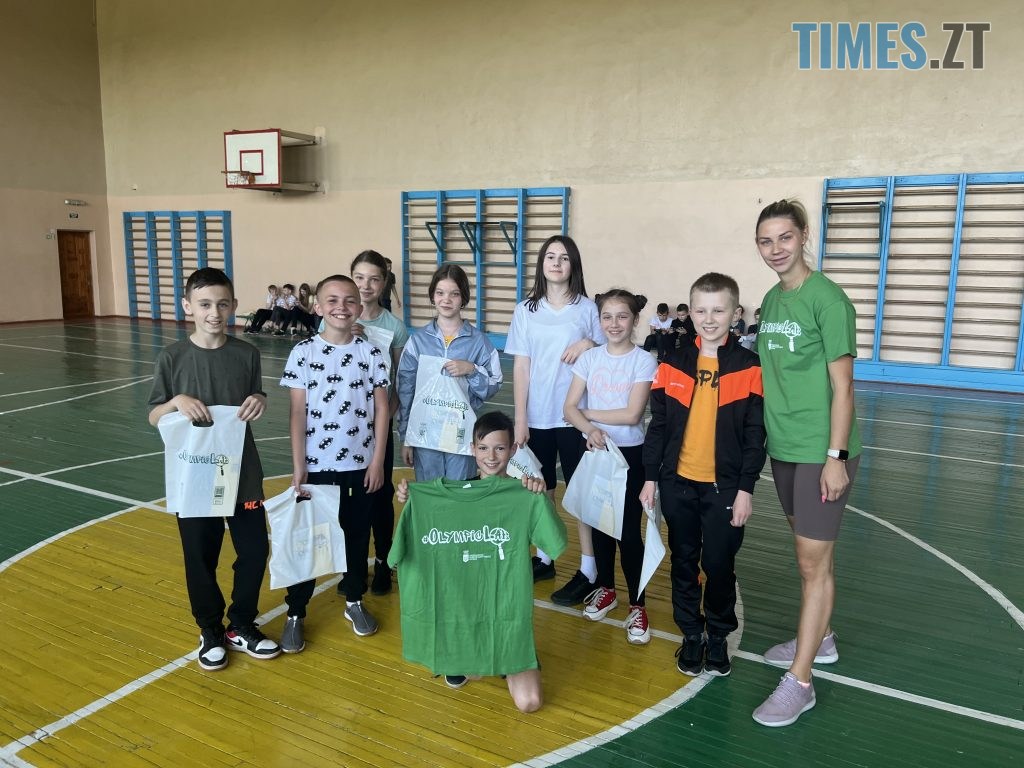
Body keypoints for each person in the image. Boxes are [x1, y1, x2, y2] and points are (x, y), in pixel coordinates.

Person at [750, 199, 861, 727]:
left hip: (821, 451)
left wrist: (836, 458)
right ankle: (823, 638)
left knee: (811, 564)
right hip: (784, 448)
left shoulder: (829, 301)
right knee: (813, 559)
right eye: (765, 240)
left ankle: (800, 681)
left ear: (803, 236)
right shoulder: (772, 301)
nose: (776, 249)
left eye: (785, 237)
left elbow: (844, 388)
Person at [148, 267, 281, 671]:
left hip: (243, 473)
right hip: (195, 475)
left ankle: (240, 624)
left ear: (234, 306)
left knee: (255, 551)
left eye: (223, 304)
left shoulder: (247, 353)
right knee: (200, 556)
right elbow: (154, 416)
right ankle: (209, 629)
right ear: (188, 306)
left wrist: (260, 399)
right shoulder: (172, 357)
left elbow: (254, 395)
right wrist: (176, 403)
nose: (214, 313)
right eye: (205, 304)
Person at [389, 411, 566, 710]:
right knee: (473, 670)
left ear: (513, 450)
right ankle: (468, 651)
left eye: (499, 448)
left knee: (530, 702)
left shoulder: (523, 493)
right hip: (461, 612)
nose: (491, 456)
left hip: (505, 616)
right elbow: (401, 555)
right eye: (483, 448)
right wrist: (412, 498)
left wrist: (540, 498)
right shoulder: (445, 498)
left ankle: (513, 654)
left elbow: (557, 542)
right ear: (472, 449)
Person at [640, 272, 766, 679]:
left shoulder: (749, 366)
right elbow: (659, 425)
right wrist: (650, 477)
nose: (709, 319)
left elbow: (755, 434)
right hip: (678, 484)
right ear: (690, 312)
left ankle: (718, 636)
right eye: (701, 310)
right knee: (684, 561)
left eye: (718, 311)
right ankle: (692, 634)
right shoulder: (672, 362)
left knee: (719, 564)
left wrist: (745, 489)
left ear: (735, 313)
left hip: (725, 488)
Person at [277, 274, 391, 649]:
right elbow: (297, 412)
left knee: (356, 536)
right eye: (332, 300)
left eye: (349, 300)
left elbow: (382, 410)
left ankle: (354, 599)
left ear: (359, 307)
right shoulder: (303, 353)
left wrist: (377, 461)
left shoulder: (371, 354)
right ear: (318, 307)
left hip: (359, 466)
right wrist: (299, 464)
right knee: (309, 539)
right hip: (316, 467)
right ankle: (296, 612)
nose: (341, 307)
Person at [505, 235, 605, 595]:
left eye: (564, 257)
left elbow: (607, 348)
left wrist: (588, 343)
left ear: (573, 264)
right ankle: (545, 558)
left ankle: (589, 568)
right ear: (542, 263)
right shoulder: (525, 310)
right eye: (551, 256)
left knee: (580, 494)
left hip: (574, 415)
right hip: (537, 416)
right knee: (541, 489)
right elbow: (521, 366)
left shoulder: (587, 309)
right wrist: (520, 418)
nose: (557, 263)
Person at [563, 289, 657, 644]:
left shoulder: (644, 361)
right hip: (595, 450)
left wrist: (587, 414)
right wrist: (589, 430)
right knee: (599, 525)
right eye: (607, 316)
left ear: (634, 320)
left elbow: (632, 414)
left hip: (629, 455)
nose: (614, 323)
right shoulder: (589, 359)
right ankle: (606, 588)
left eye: (622, 316)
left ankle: (638, 605)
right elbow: (567, 407)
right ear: (599, 320)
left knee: (629, 533)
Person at [397, 263, 502, 481]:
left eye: (454, 294)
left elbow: (494, 384)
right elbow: (405, 390)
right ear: (432, 296)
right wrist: (407, 436)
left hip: (461, 434)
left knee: (460, 492)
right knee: (430, 492)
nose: (446, 299)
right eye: (440, 293)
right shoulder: (417, 341)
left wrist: (472, 370)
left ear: (463, 298)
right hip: (425, 434)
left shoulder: (478, 342)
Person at [350, 250, 410, 596]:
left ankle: (384, 562)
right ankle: (353, 566)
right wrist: (345, 335)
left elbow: (400, 376)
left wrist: (391, 411)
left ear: (384, 283)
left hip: (379, 423)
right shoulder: (335, 320)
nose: (366, 285)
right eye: (359, 277)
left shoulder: (394, 327)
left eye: (374, 279)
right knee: (351, 496)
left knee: (380, 494)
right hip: (345, 426)